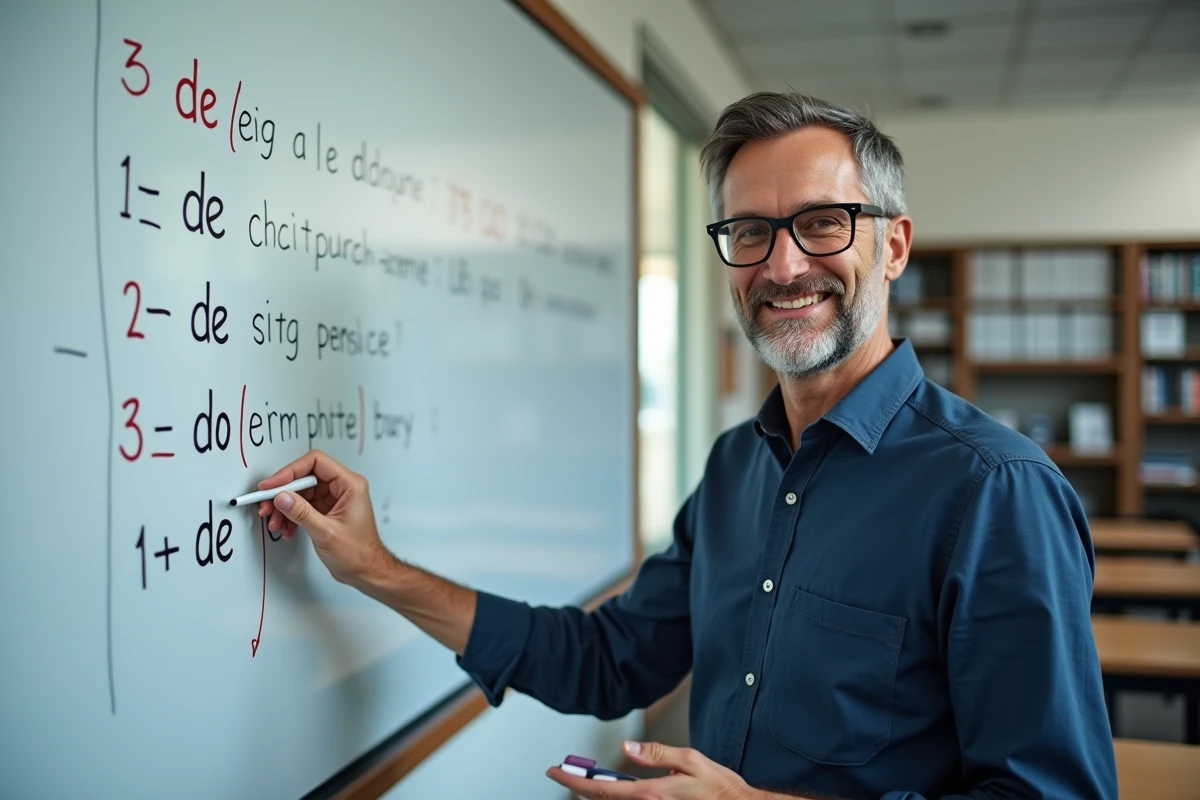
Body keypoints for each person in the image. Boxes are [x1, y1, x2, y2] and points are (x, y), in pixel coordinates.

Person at [258, 92, 1118, 799]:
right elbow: (606, 662)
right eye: (749, 232)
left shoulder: (995, 492)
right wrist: (375, 566)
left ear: (892, 246)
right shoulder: (735, 471)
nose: (782, 267)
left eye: (822, 222)